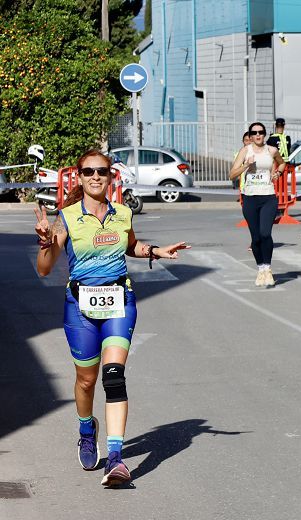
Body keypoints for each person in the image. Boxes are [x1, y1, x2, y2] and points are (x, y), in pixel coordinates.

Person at [34, 150, 189, 486]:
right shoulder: (67, 217)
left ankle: (116, 460)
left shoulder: (122, 214)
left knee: (114, 376)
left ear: (110, 176)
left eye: (101, 171)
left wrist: (157, 251)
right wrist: (46, 242)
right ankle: (87, 427)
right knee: (86, 381)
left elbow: (130, 246)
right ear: (78, 176)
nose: (95, 176)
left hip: (120, 301)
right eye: (88, 171)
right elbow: (44, 269)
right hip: (80, 308)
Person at [229, 122, 287, 286]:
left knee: (265, 234)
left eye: (261, 132)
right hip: (250, 198)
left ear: (265, 134)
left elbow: (282, 163)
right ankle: (261, 269)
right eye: (254, 133)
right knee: (255, 238)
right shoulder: (245, 151)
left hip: (268, 197)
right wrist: (246, 164)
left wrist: (278, 172)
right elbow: (232, 174)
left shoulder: (272, 150)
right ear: (250, 135)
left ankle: (268, 269)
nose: (258, 135)